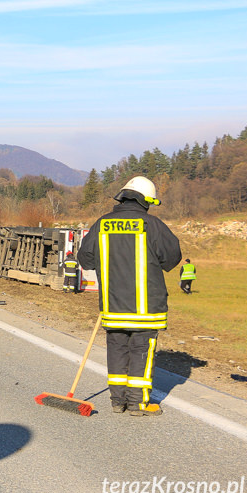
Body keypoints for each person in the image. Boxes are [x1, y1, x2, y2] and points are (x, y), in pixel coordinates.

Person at [78, 176, 182, 416]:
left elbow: (85, 259)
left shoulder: (102, 224)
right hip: (146, 308)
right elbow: (172, 259)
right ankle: (138, 403)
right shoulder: (152, 225)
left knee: (116, 349)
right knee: (141, 351)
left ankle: (118, 401)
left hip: (113, 305)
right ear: (145, 201)